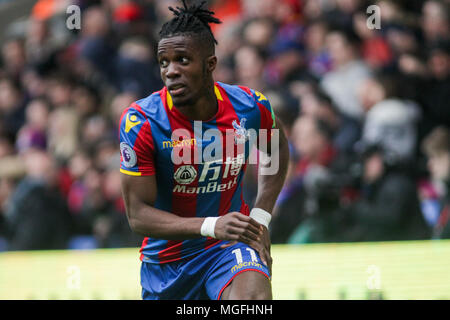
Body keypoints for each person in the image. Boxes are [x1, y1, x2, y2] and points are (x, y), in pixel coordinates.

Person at [119, 1, 289, 300]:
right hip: (166, 264)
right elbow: (138, 216)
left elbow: (276, 148)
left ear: (210, 64)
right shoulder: (142, 121)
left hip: (228, 248)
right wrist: (211, 225)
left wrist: (260, 218)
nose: (171, 71)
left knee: (253, 299)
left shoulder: (250, 107)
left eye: (182, 60)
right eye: (163, 62)